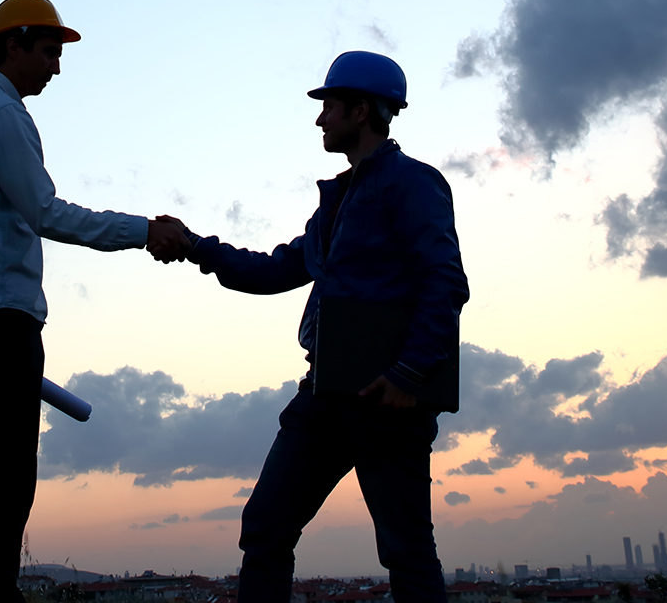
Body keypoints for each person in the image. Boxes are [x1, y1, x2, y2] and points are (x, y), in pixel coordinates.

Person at [153, 51, 468, 603]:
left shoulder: (414, 184)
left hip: (391, 403)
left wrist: (409, 372)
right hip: (325, 394)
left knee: (406, 550)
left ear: (362, 110)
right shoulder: (336, 205)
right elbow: (277, 268)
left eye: (330, 107)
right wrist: (196, 248)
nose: (320, 119)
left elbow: (444, 282)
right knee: (267, 527)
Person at [0, 0, 189, 603]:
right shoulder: (3, 116)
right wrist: (143, 232)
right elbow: (44, 211)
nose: (56, 67)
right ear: (14, 44)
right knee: (7, 477)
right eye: (49, 52)